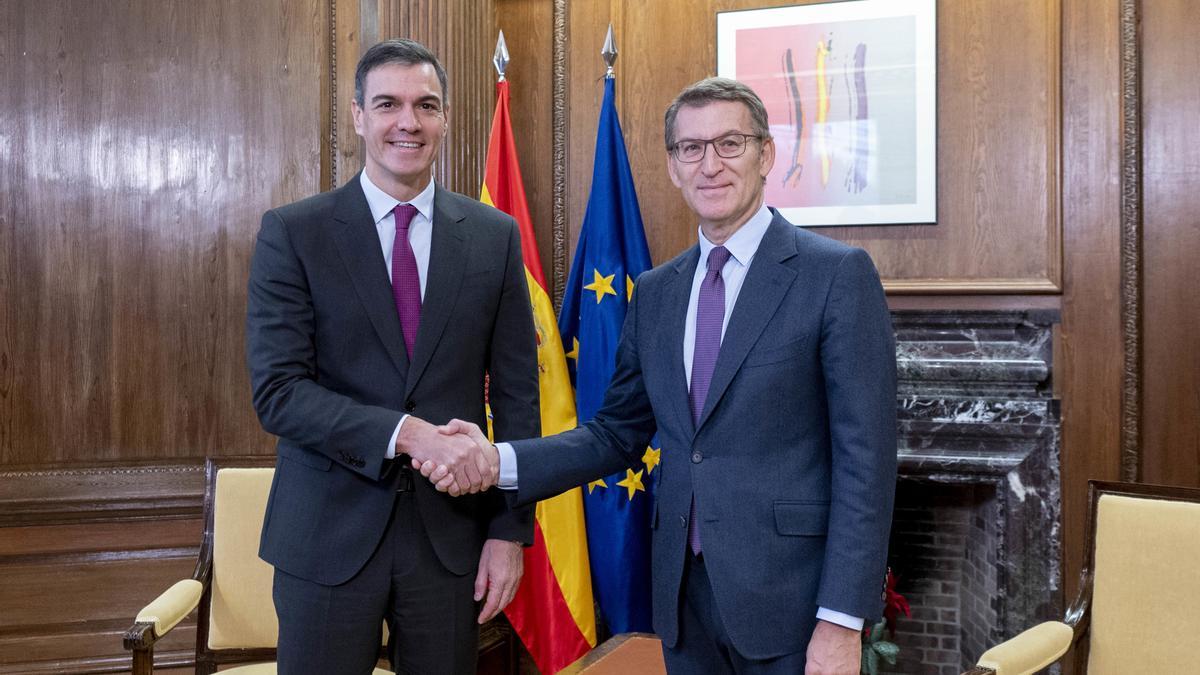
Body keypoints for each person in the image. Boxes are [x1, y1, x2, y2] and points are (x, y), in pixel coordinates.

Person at [425, 77, 898, 674]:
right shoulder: (656, 292)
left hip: (794, 610)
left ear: (766, 155)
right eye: (691, 148)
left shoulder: (835, 276)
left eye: (730, 143)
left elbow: (867, 464)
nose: (710, 164)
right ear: (673, 166)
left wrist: (842, 619)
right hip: (681, 601)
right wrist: (499, 463)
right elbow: (615, 433)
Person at [245, 38, 538, 675]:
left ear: (445, 118)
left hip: (452, 544)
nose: (408, 121)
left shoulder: (493, 236)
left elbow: (518, 396)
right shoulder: (295, 233)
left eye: (425, 105)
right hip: (325, 539)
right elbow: (279, 392)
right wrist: (407, 436)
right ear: (358, 116)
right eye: (388, 104)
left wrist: (509, 533)